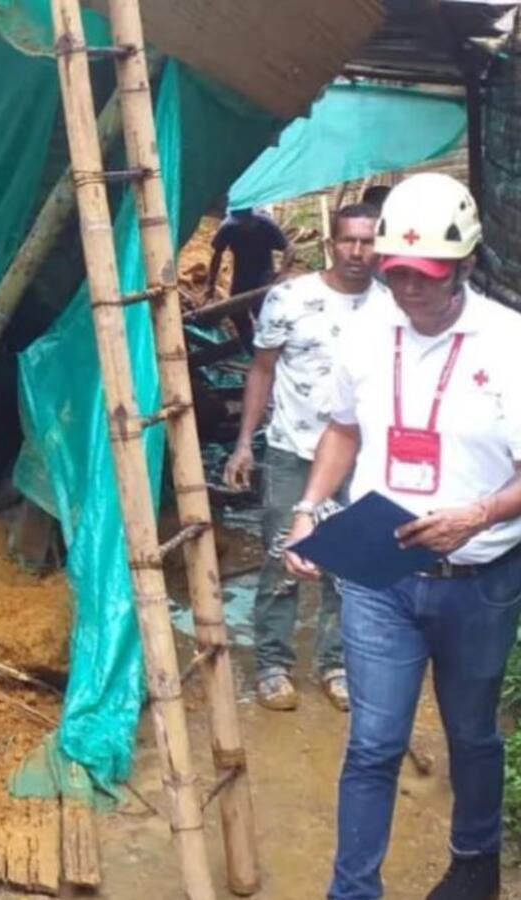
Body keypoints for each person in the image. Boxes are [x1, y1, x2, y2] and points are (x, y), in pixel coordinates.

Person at [284, 173, 521, 900]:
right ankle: (353, 889)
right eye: (397, 273)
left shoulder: (509, 343)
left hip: (478, 579)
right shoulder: (365, 332)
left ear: (466, 264)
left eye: (427, 275)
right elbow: (343, 430)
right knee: (374, 741)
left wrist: (477, 515)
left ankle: (474, 861)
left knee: (471, 733)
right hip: (380, 572)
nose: (409, 289)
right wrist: (309, 507)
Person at [223, 203, 383, 713]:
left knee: (349, 565)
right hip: (293, 450)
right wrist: (245, 443)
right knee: (282, 556)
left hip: (363, 457)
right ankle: (273, 664)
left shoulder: (392, 306)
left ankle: (336, 664)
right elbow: (262, 370)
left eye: (368, 241)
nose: (357, 251)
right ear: (330, 244)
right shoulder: (289, 299)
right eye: (348, 240)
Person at [206, 207, 297, 351]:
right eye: (239, 221)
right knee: (237, 313)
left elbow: (289, 248)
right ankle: (251, 348)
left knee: (262, 310)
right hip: (241, 275)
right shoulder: (228, 227)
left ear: (251, 215)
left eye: (244, 221)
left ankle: (274, 348)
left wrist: (282, 273)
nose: (242, 224)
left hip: (264, 273)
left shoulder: (265, 224)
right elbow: (217, 255)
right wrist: (210, 284)